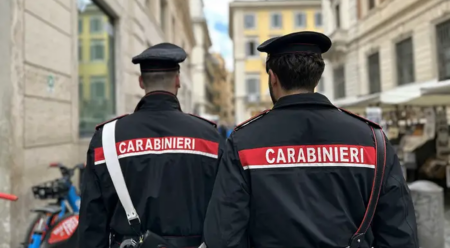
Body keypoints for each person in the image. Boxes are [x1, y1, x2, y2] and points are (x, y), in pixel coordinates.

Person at [203, 32, 418, 248]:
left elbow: (224, 235)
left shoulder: (243, 142)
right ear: (317, 77)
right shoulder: (373, 139)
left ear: (273, 77)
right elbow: (399, 233)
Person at [79, 43, 224, 248]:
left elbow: (92, 224)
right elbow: (224, 213)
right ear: (178, 81)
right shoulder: (209, 137)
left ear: (141, 82)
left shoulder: (106, 139)